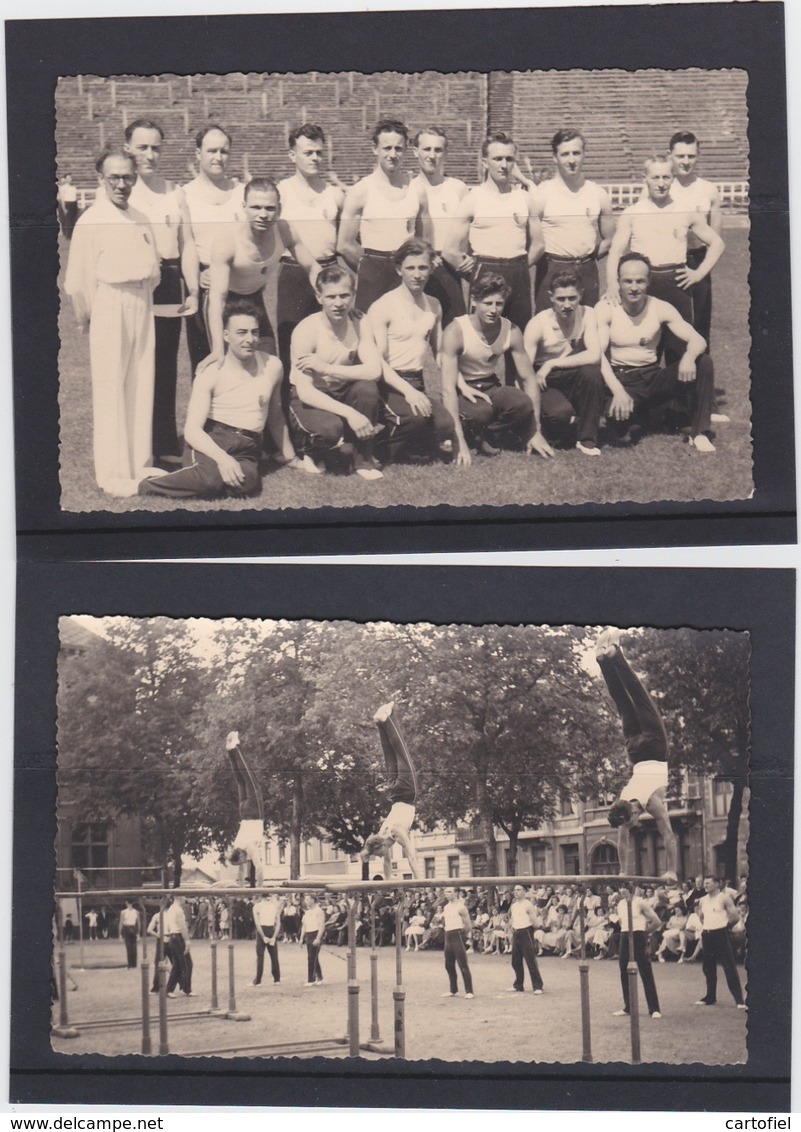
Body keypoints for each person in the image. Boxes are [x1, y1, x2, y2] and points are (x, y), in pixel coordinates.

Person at [64, 147, 162, 497]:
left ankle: (138, 463)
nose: (121, 184)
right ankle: (112, 472)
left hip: (141, 302)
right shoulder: (91, 220)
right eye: (114, 177)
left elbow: (153, 271)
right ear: (100, 179)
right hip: (109, 304)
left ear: (135, 177)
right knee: (111, 388)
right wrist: (89, 317)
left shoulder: (141, 217)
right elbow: (77, 281)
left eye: (127, 177)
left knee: (140, 380)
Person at [139, 301, 302, 498]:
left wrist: (291, 457)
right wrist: (223, 459)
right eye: (241, 333)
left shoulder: (272, 366)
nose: (249, 339)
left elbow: (276, 415)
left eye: (254, 332)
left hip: (247, 446)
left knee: (247, 483)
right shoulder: (211, 372)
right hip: (212, 438)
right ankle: (145, 485)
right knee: (211, 480)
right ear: (226, 336)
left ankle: (203, 478)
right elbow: (192, 430)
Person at [125, 118, 199, 465]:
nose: (150, 154)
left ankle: (166, 444)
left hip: (169, 283)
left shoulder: (175, 192)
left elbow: (187, 245)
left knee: (166, 365)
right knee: (136, 364)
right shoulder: (122, 192)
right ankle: (135, 444)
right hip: (135, 283)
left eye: (156, 147)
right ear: (128, 149)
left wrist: (194, 291)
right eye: (142, 147)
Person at [605, 154, 724, 365]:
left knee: (679, 351)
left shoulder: (685, 210)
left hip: (677, 285)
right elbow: (615, 251)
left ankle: (680, 398)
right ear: (645, 178)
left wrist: (698, 273)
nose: (661, 184)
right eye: (655, 177)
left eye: (666, 177)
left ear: (673, 178)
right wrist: (613, 283)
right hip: (645, 285)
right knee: (644, 349)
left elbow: (717, 243)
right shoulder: (632, 213)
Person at [596, 253, 717, 453]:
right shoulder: (606, 308)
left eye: (640, 281)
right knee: (619, 427)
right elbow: (597, 356)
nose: (634, 287)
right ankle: (639, 417)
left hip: (652, 377)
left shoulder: (660, 307)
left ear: (649, 281)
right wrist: (618, 391)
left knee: (703, 362)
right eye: (627, 281)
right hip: (622, 379)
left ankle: (700, 433)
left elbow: (698, 339)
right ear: (618, 282)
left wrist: (688, 357)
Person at [444, 131, 541, 373]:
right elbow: (449, 250)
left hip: (518, 271)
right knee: (477, 344)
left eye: (509, 159)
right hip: (485, 270)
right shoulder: (472, 198)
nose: (504, 165)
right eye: (498, 159)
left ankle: (518, 403)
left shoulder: (523, 198)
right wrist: (473, 271)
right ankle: (474, 402)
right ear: (485, 162)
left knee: (519, 343)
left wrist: (517, 267)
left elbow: (538, 244)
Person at [203, 177, 318, 369]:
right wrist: (217, 348)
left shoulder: (284, 230)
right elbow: (217, 298)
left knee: (267, 357)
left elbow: (313, 268)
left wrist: (330, 296)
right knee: (227, 365)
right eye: (256, 207)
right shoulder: (227, 241)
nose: (263, 214)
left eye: (269, 208)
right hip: (226, 301)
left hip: (254, 298)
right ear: (244, 207)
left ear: (279, 209)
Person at [440, 272, 554, 465]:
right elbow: (447, 388)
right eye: (487, 303)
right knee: (481, 412)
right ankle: (466, 436)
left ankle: (484, 436)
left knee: (522, 403)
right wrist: (458, 442)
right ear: (474, 301)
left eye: (498, 304)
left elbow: (528, 379)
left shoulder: (511, 330)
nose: (493, 310)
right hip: (464, 390)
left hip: (490, 386)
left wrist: (535, 432)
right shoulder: (456, 330)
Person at [596, 628, 679, 883]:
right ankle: (605, 659)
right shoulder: (621, 802)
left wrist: (672, 871)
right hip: (634, 749)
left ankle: (615, 653)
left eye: (632, 823)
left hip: (654, 747)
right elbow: (623, 842)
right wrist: (622, 872)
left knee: (639, 698)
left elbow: (669, 836)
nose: (633, 826)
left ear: (631, 814)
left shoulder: (651, 802)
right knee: (623, 702)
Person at [288, 265, 385, 480]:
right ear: (318, 296)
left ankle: (363, 459)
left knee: (367, 390)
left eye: (344, 296)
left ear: (353, 295)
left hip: (341, 390)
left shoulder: (361, 321)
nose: (339, 303)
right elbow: (306, 393)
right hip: (311, 398)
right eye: (331, 297)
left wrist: (326, 368)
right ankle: (311, 452)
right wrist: (351, 413)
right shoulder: (306, 330)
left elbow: (374, 371)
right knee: (330, 429)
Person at [366, 238, 456, 463]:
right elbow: (378, 363)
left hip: (417, 380)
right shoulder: (382, 307)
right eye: (410, 268)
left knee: (445, 425)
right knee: (415, 420)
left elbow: (441, 353)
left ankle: (410, 442)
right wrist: (408, 392)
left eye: (423, 267)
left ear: (431, 268)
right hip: (388, 383)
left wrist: (459, 382)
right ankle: (372, 447)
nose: (417, 275)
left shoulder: (434, 305)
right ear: (399, 270)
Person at [337, 118, 430, 312]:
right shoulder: (361, 190)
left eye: (398, 149)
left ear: (405, 150)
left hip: (406, 272)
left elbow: (423, 242)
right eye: (387, 148)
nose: (393, 154)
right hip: (373, 274)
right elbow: (345, 244)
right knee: (370, 335)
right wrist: (370, 268)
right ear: (375, 149)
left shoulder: (417, 190)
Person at [276, 123, 345, 382]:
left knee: (330, 342)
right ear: (292, 155)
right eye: (308, 152)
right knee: (291, 342)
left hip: (329, 271)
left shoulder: (334, 194)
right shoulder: (280, 192)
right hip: (294, 275)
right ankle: (291, 410)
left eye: (318, 152)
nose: (315, 158)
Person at [531, 129, 615, 311]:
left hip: (586, 271)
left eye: (576, 153)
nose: (571, 160)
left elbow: (609, 238)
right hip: (552, 269)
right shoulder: (542, 194)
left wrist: (587, 257)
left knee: (588, 325)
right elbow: (527, 239)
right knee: (549, 328)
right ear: (555, 157)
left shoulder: (598, 193)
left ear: (584, 154)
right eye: (565, 154)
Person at [182, 126, 244, 372]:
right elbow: (183, 245)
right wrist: (195, 276)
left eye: (224, 151)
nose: (218, 157)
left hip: (239, 285)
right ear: (198, 154)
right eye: (211, 151)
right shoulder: (184, 195)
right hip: (205, 285)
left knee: (243, 360)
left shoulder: (241, 193)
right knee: (206, 363)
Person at [523, 269, 605, 456]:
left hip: (567, 372)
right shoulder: (538, 324)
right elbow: (524, 371)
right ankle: (554, 427)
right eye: (561, 299)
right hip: (545, 380)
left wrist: (552, 363)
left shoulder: (588, 314)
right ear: (551, 297)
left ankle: (587, 440)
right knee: (560, 414)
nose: (567, 305)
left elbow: (594, 355)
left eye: (572, 298)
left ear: (581, 295)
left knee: (592, 373)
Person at [667, 131, 722, 349]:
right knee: (667, 328)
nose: (686, 161)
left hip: (697, 261)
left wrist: (700, 272)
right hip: (667, 261)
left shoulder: (708, 190)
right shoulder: (661, 186)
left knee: (699, 325)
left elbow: (715, 240)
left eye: (691, 156)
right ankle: (671, 381)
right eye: (680, 156)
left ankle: (700, 382)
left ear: (698, 156)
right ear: (670, 155)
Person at [411, 126, 469, 326]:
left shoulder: (458, 189)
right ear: (415, 151)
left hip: (448, 267)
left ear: (446, 153)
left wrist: (470, 257)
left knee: (456, 330)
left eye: (438, 150)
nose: (432, 155)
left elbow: (471, 232)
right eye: (426, 149)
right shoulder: (408, 189)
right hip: (417, 266)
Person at [360, 702, 420, 879]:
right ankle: (380, 723)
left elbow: (411, 857)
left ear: (381, 846)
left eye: (379, 853)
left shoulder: (395, 833)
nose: (383, 856)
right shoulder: (381, 836)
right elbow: (386, 863)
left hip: (407, 792)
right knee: (390, 755)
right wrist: (388, 885)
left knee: (401, 752)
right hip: (394, 793)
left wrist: (421, 882)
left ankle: (388, 719)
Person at [693, 877, 746, 1009]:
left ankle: (739, 1000)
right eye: (704, 883)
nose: (705, 885)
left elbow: (735, 916)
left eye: (708, 883)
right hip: (707, 934)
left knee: (729, 967)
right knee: (708, 967)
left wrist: (725, 927)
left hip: (721, 934)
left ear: (717, 884)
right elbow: (701, 917)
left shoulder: (724, 898)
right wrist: (708, 927)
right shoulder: (703, 900)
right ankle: (710, 997)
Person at [224, 730, 267, 887]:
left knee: (248, 777)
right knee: (240, 781)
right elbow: (240, 872)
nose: (244, 863)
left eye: (242, 861)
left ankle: (235, 747)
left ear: (241, 857)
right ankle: (230, 752)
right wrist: (242, 889)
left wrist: (260, 890)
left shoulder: (248, 848)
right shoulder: (237, 846)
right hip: (243, 812)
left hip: (254, 812)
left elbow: (260, 867)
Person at [613, 887, 663, 1019]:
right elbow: (621, 922)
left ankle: (654, 1009)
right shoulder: (621, 904)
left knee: (645, 971)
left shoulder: (640, 902)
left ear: (632, 888)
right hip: (625, 936)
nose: (623, 891)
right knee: (624, 971)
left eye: (625, 888)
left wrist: (645, 933)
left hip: (638, 935)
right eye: (621, 888)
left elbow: (657, 921)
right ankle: (628, 1007)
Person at [508, 884, 544, 994]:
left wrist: (537, 926)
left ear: (524, 891)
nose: (516, 892)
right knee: (515, 961)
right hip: (516, 933)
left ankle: (538, 986)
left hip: (526, 932)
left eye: (518, 890)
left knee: (530, 960)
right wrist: (511, 930)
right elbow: (512, 919)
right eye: (515, 890)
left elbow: (535, 922)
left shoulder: (528, 905)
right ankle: (518, 985)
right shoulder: (514, 905)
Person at [441, 888, 474, 999]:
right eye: (446, 892)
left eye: (450, 892)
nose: (447, 894)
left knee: (462, 964)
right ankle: (453, 989)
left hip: (457, 935)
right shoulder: (446, 907)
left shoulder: (461, 907)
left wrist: (463, 936)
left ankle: (469, 991)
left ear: (456, 893)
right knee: (449, 965)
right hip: (448, 935)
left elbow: (468, 925)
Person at [164, 896, 194, 998]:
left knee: (178, 964)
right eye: (184, 896)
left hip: (173, 936)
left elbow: (168, 926)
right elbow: (182, 926)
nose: (185, 898)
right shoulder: (178, 910)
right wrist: (187, 941)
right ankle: (185, 989)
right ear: (179, 898)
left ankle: (173, 989)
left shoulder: (171, 909)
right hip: (178, 937)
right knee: (187, 964)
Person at [252, 893, 282, 986]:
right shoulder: (272, 906)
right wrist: (273, 937)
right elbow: (278, 924)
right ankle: (276, 979)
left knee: (262, 956)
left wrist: (265, 936)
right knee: (273, 956)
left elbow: (257, 924)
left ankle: (259, 981)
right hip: (270, 929)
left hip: (265, 929)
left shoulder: (258, 906)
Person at [299, 893, 325, 986]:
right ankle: (320, 977)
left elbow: (321, 926)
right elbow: (304, 926)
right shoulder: (307, 912)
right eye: (305, 900)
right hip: (309, 934)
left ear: (313, 900)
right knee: (314, 957)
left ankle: (311, 980)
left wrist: (318, 938)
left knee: (311, 958)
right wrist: (301, 938)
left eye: (307, 899)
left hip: (316, 934)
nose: (305, 902)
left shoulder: (319, 911)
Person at [119, 900, 140, 970]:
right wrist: (138, 933)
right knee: (133, 947)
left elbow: (121, 923)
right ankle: (133, 965)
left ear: (127, 903)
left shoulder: (124, 912)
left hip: (128, 928)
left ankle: (131, 965)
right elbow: (139, 924)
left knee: (130, 947)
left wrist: (120, 934)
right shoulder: (135, 912)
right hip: (131, 928)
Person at [58, 173, 79, 239]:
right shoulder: (63, 188)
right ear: (66, 179)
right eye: (68, 178)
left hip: (74, 203)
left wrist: (76, 205)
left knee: (74, 219)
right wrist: (64, 208)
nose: (70, 179)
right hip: (68, 204)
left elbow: (75, 197)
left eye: (71, 178)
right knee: (68, 220)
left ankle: (73, 234)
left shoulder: (73, 187)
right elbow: (63, 199)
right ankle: (68, 235)